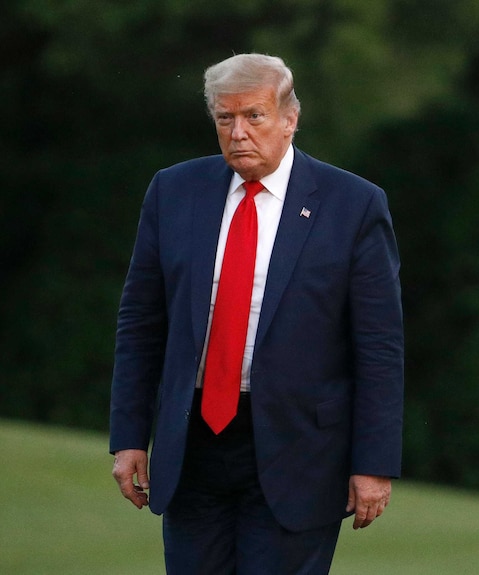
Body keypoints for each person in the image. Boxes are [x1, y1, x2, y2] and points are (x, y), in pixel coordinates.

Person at [109, 53, 404, 574]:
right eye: (226, 118)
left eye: (254, 116)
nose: (238, 132)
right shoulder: (173, 191)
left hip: (301, 452)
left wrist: (374, 464)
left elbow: (378, 346)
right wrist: (130, 436)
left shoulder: (353, 205)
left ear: (290, 119)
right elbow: (141, 322)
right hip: (193, 444)